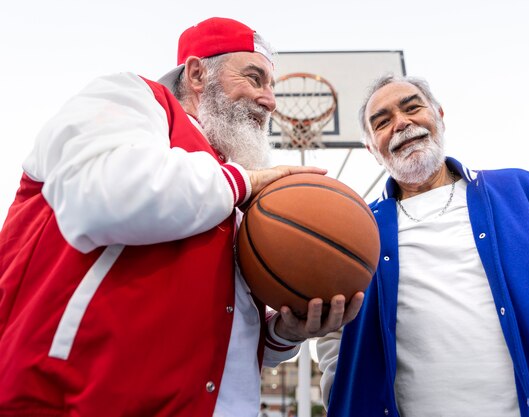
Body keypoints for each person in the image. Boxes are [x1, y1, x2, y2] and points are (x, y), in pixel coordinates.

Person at [0, 17, 362, 416]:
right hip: (70, 400)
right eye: (255, 78)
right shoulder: (132, 99)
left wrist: (282, 333)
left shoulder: (230, 194)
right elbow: (100, 195)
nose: (270, 99)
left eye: (271, 86)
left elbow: (225, 332)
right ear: (196, 74)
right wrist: (244, 181)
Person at [316, 74, 529, 416]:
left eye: (412, 107)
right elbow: (334, 336)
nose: (401, 123)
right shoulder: (356, 233)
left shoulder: (526, 195)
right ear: (373, 149)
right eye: (382, 122)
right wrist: (341, 390)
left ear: (439, 117)